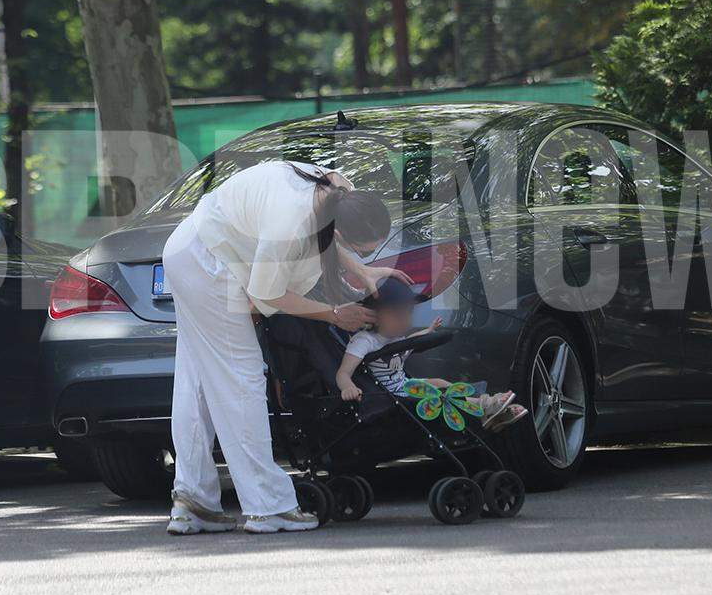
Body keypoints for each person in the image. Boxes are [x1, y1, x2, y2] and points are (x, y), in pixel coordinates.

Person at [165, 159, 407, 536]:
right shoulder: (291, 225)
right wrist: (333, 314)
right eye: (360, 249)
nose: (362, 255)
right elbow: (265, 294)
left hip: (190, 247)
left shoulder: (336, 188)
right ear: (341, 231)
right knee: (241, 381)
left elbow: (329, 233)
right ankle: (268, 506)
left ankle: (193, 501)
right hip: (209, 263)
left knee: (196, 379)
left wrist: (362, 270)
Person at [335, 277, 528, 432]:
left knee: (440, 383)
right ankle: (485, 406)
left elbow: (412, 341)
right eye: (398, 314)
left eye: (409, 313)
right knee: (442, 395)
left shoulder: (396, 337)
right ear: (373, 315)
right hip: (390, 397)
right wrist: (348, 388)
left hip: (408, 387)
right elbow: (343, 373)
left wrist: (428, 331)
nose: (405, 320)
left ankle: (487, 409)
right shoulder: (364, 341)